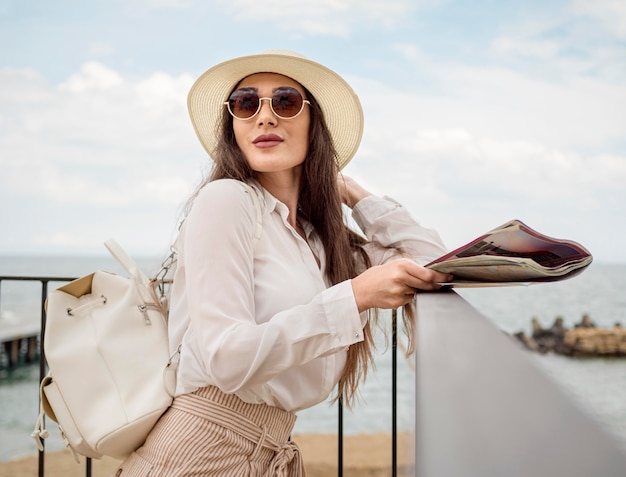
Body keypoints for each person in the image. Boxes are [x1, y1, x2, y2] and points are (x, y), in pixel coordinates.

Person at [114, 49, 450, 476]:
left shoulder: (318, 239)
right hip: (200, 450)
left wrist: (351, 192)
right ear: (233, 124)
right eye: (246, 103)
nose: (265, 117)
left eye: (286, 102)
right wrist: (357, 297)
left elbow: (432, 263)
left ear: (315, 123)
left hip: (270, 451)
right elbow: (226, 357)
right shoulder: (228, 200)